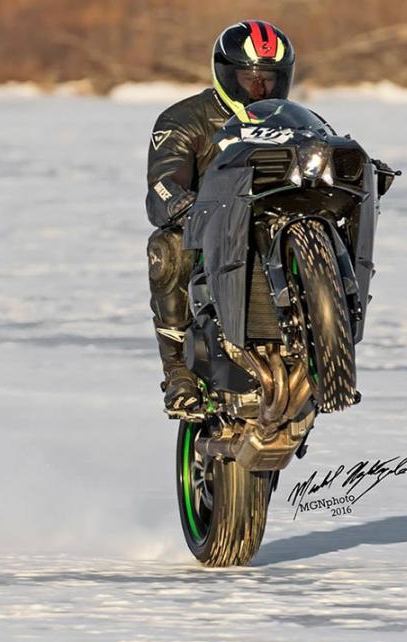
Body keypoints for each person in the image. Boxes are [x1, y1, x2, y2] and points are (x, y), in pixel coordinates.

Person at [144, 20, 295, 412]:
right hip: (212, 231)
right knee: (169, 248)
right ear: (227, 75)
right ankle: (178, 371)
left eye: (271, 80)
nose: (261, 90)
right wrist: (179, 201)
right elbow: (163, 183)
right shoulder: (184, 118)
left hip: (276, 228)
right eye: (250, 79)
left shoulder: (292, 120)